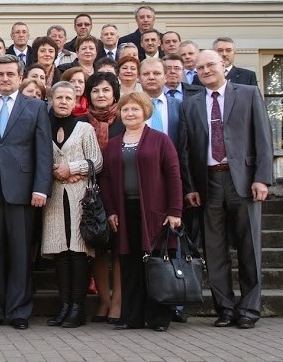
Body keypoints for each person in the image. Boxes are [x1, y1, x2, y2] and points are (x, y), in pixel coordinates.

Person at [179, 50, 273, 329]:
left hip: (242, 180)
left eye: (210, 65)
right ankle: (226, 308)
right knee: (214, 249)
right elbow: (185, 150)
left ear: (223, 66)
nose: (206, 70)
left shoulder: (248, 93)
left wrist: (262, 178)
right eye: (200, 67)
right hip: (208, 182)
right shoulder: (190, 104)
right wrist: (190, 186)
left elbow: (263, 138)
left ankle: (250, 308)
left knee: (248, 246)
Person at [0, 54, 53, 330]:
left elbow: (43, 151)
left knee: (20, 254)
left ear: (20, 77)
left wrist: (41, 187)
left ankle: (19, 311)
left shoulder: (36, 107)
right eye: (0, 74)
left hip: (23, 191)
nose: (5, 79)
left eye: (10, 74)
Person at [101, 92, 183, 332]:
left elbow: (174, 176)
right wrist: (111, 210)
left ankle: (158, 318)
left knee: (155, 265)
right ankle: (131, 317)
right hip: (125, 213)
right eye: (126, 110)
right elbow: (105, 179)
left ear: (145, 112)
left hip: (155, 212)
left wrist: (175, 210)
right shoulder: (114, 143)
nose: (130, 114)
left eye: (135, 109)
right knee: (129, 265)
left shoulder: (160, 140)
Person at [43, 82, 103, 328]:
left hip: (79, 196)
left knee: (78, 252)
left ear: (76, 100)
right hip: (54, 197)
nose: (64, 101)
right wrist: (54, 171)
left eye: (69, 97)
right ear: (52, 99)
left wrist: (73, 168)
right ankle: (65, 305)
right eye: (59, 97)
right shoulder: (43, 126)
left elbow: (97, 162)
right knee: (61, 253)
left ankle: (77, 307)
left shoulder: (84, 128)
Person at [82, 71, 124, 324]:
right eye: (96, 90)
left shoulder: (125, 119)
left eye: (106, 90)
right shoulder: (81, 122)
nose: (101, 94)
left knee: (120, 248)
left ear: (114, 94)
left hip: (119, 188)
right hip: (90, 191)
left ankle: (118, 299)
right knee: (97, 247)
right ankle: (104, 299)